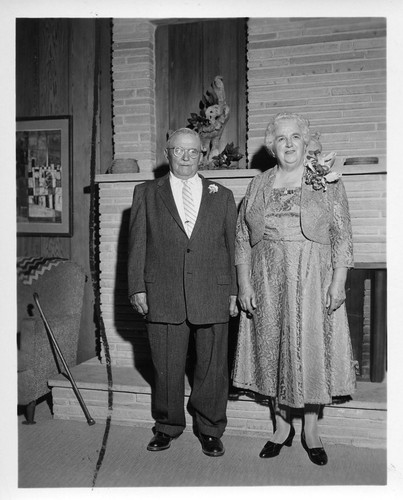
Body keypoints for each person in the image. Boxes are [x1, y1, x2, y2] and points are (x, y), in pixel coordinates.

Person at [232, 112, 356, 466]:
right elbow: (242, 236)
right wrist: (244, 282)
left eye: (295, 138)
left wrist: (338, 281)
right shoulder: (258, 184)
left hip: (312, 274)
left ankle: (311, 429)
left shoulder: (324, 181)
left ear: (306, 143)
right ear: (272, 146)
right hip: (267, 275)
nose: (288, 144)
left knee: (310, 347)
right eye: (281, 138)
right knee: (273, 346)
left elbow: (342, 233)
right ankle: (281, 427)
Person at [128, 127, 238, 457]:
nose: (187, 157)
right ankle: (167, 425)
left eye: (193, 152)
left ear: (202, 155)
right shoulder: (146, 192)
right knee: (166, 365)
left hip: (212, 291)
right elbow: (137, 245)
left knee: (212, 367)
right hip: (164, 292)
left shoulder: (223, 194)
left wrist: (233, 290)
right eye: (179, 151)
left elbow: (232, 247)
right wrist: (136, 287)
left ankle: (210, 427)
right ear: (168, 154)